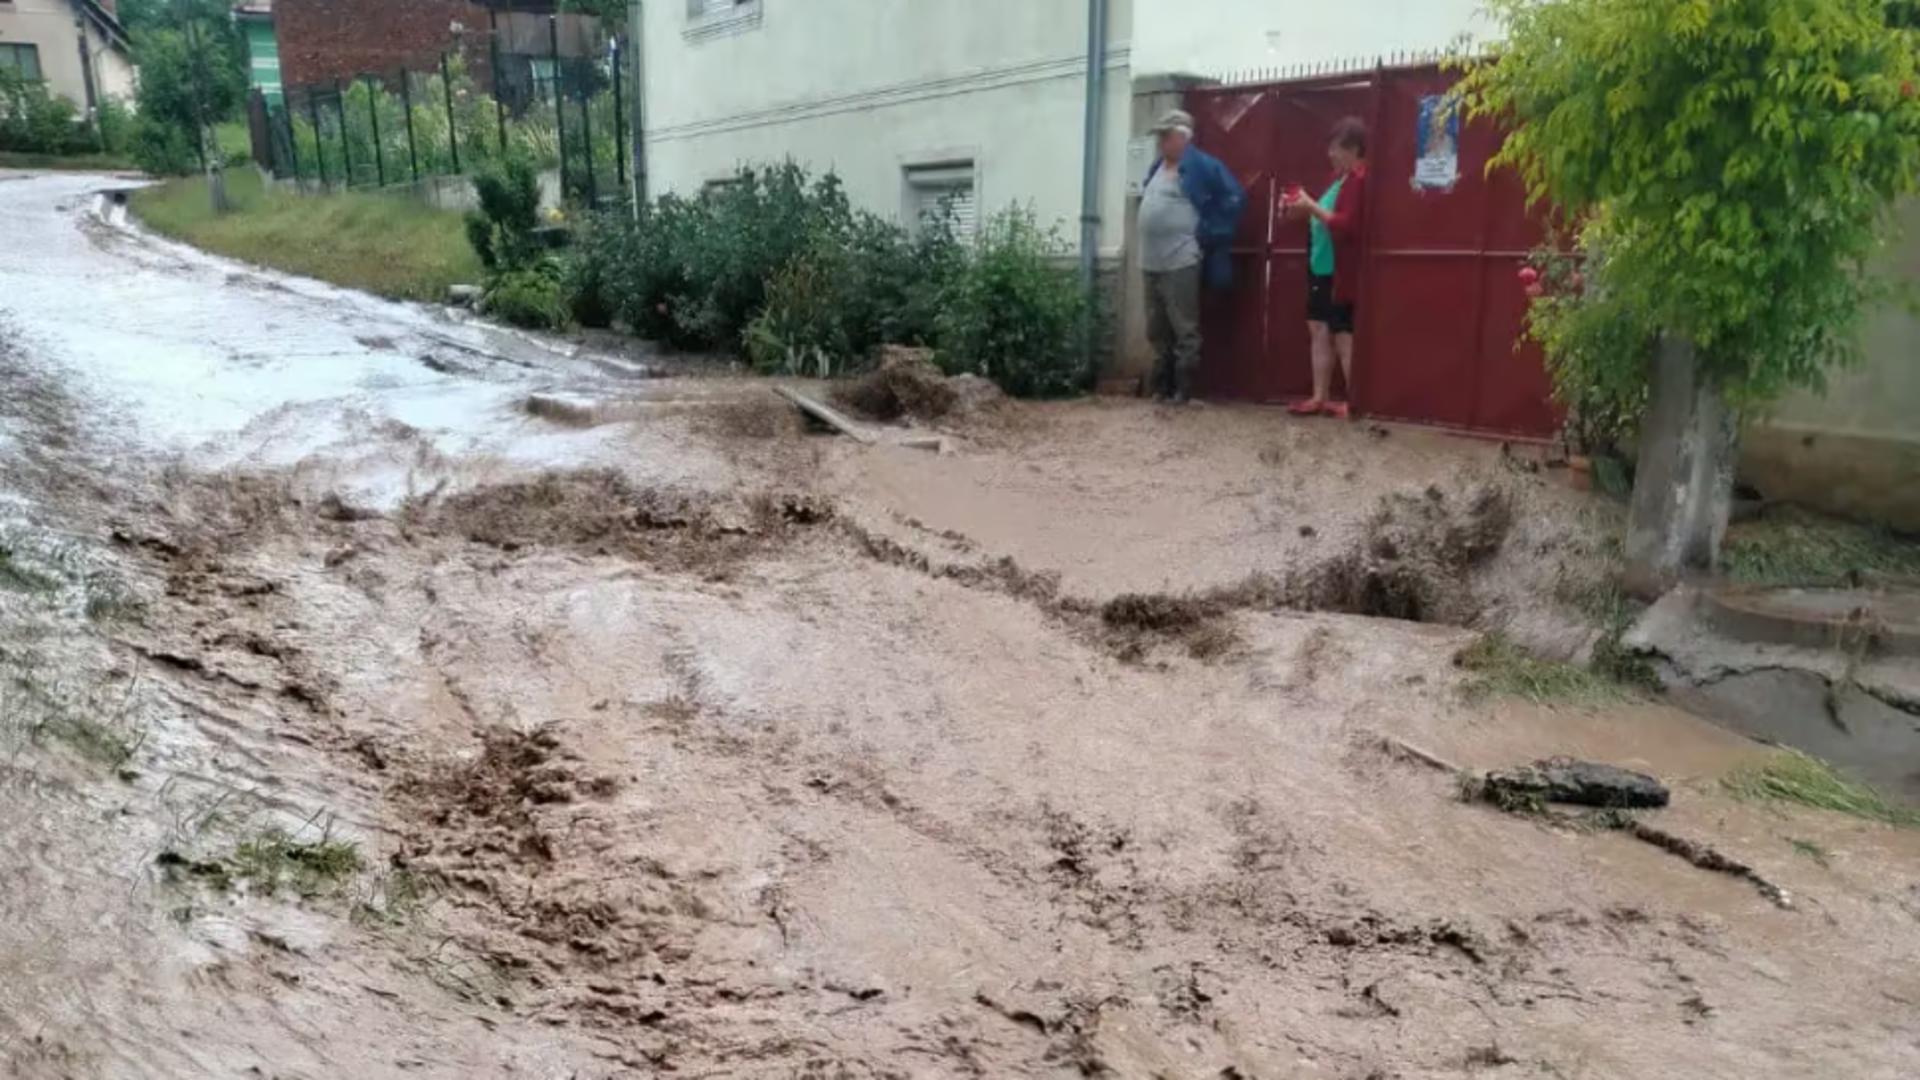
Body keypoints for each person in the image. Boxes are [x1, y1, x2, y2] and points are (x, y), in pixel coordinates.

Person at [1138, 109, 1247, 403]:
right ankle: (1161, 388)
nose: (1160, 142)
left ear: (1182, 137)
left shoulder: (1203, 166)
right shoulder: (1157, 167)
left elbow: (1234, 198)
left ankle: (1183, 391)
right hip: (1150, 260)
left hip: (1180, 259)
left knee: (1184, 327)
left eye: (1165, 136)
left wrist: (1208, 233)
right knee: (1156, 328)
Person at [1283, 117, 1369, 419]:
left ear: (1354, 149)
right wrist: (1299, 209)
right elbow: (1323, 218)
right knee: (1319, 328)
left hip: (1338, 270)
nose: (1331, 154)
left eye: (1336, 148)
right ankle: (1320, 396)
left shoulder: (1359, 180)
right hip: (1321, 266)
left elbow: (1346, 225)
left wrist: (1311, 206)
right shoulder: (1341, 180)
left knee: (1343, 333)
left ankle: (1353, 401)